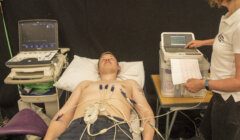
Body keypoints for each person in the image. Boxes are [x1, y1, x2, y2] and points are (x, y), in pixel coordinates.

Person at [44, 52, 155, 140]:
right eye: (103, 59)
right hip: (78, 126)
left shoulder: (129, 84)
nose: (107, 59)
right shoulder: (85, 84)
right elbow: (63, 116)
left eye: (111, 58)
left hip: (115, 127)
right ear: (97, 70)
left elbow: (146, 114)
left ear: (118, 67)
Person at [184, 0, 240, 139]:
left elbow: (239, 82)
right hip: (220, 94)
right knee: (205, 134)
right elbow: (225, 40)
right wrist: (203, 42)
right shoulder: (229, 16)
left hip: (232, 101)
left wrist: (204, 84)